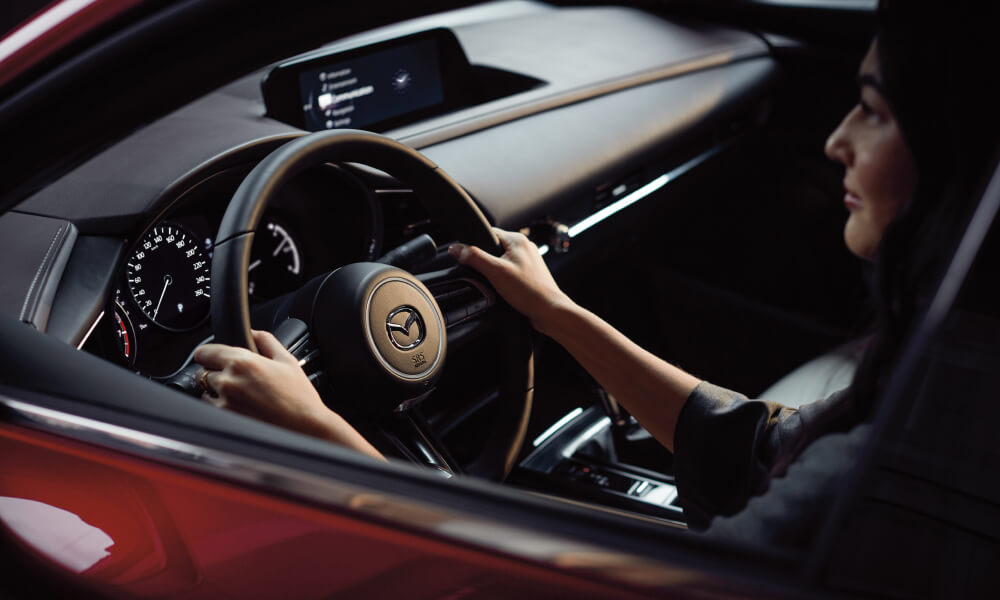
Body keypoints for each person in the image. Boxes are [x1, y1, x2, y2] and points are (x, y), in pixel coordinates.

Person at [193, 0, 1000, 545]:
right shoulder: (943, 370)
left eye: (874, 109)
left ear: (959, 156)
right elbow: (753, 445)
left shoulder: (893, 476)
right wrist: (553, 311)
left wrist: (320, 440)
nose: (836, 141)